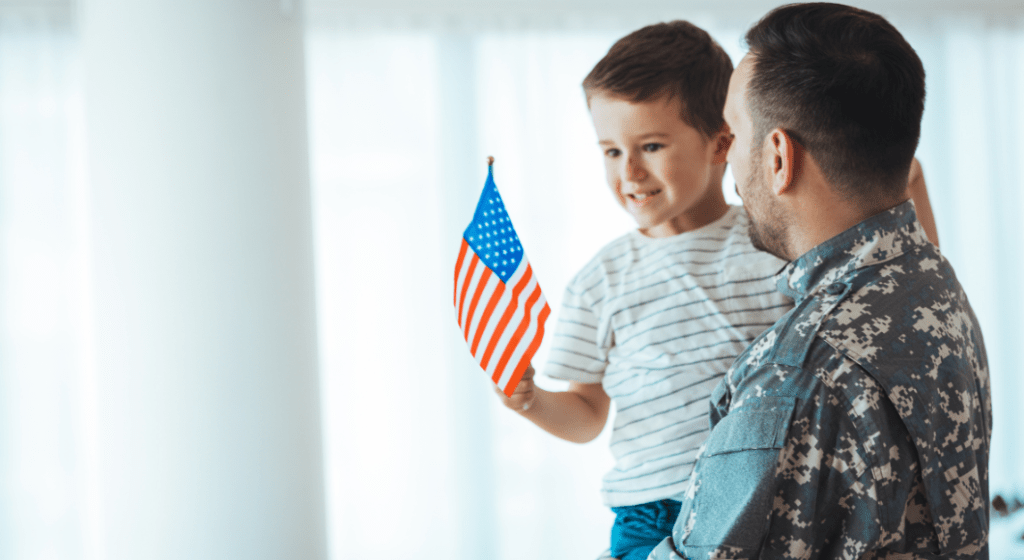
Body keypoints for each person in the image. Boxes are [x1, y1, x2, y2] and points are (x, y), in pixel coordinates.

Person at [649, 3, 990, 559]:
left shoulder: (800, 373)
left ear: (779, 156)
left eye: (733, 136)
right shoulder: (931, 280)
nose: (726, 159)